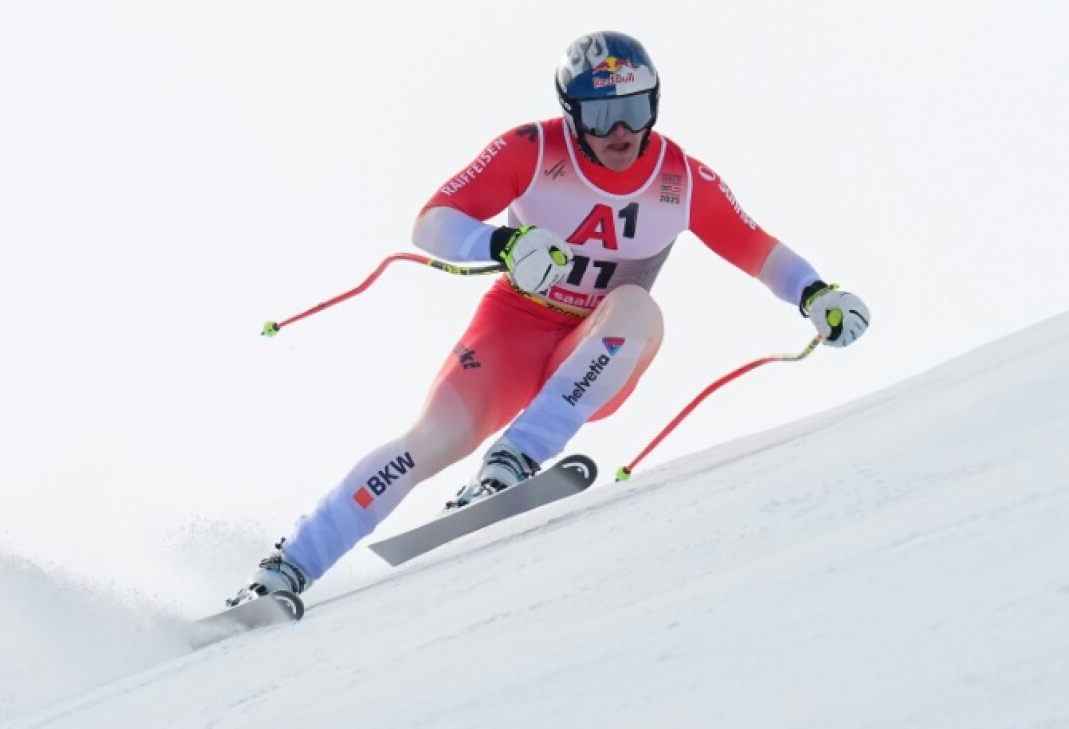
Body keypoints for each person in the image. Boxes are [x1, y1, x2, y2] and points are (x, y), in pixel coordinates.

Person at [230, 30, 870, 603]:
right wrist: (501, 243)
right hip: (511, 332)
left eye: (635, 110)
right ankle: (286, 568)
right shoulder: (532, 150)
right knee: (428, 441)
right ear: (571, 112)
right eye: (601, 114)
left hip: (597, 352)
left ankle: (515, 459)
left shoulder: (681, 178)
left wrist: (816, 294)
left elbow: (756, 247)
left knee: (638, 309)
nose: (621, 132)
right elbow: (431, 221)